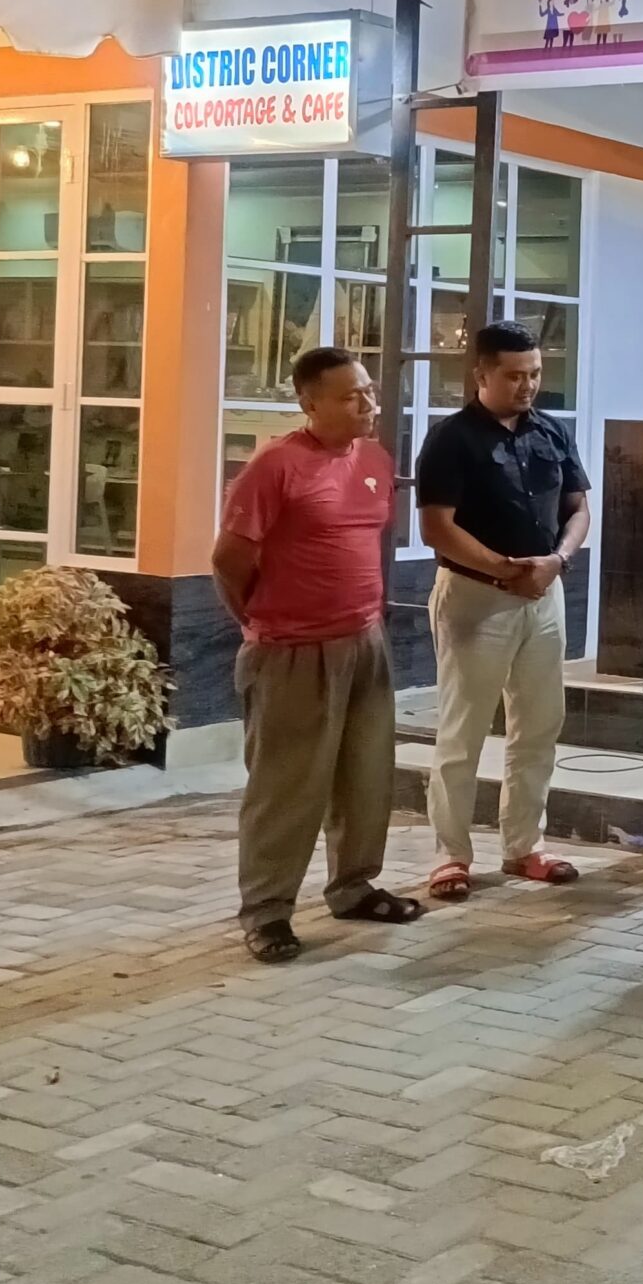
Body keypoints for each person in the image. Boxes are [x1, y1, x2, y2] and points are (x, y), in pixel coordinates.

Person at [213, 348, 419, 963]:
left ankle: (353, 887)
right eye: (351, 396)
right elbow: (229, 560)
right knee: (286, 788)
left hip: (364, 639)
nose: (368, 404)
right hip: (292, 650)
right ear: (309, 402)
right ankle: (267, 912)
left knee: (365, 776)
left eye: (369, 391)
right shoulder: (275, 465)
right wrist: (260, 619)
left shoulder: (374, 460)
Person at [416, 319, 591, 901]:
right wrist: (503, 568)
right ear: (482, 375)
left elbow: (579, 509)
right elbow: (437, 527)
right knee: (463, 729)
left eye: (535, 373)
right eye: (515, 376)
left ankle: (524, 846)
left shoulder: (552, 431)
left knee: (539, 724)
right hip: (476, 596)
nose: (528, 385)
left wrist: (557, 561)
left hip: (544, 593)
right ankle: (451, 854)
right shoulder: (451, 439)